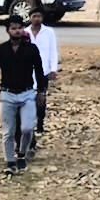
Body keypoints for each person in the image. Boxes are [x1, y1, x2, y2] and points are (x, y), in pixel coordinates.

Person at [0, 16, 47, 174]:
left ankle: (21, 154)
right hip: (7, 94)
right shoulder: (1, 49)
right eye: (13, 28)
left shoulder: (31, 49)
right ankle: (10, 162)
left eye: (20, 27)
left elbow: (40, 71)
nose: (17, 31)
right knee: (8, 131)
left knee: (27, 128)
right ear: (8, 31)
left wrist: (41, 91)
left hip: (27, 93)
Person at [26, 8, 60, 138]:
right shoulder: (25, 33)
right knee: (28, 99)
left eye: (39, 16)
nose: (36, 19)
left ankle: (40, 124)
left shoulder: (49, 32)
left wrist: (53, 69)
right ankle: (29, 124)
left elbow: (53, 51)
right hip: (28, 72)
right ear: (30, 18)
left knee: (41, 99)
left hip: (44, 71)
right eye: (34, 16)